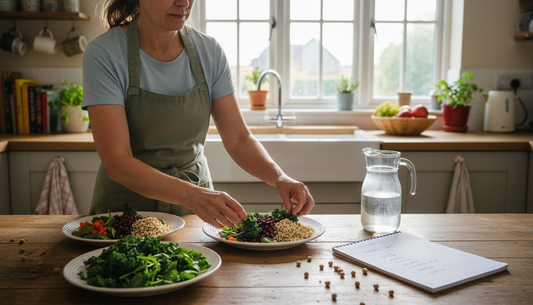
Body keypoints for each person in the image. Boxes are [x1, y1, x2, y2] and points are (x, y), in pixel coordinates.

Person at [82, 0, 315, 229]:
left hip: (196, 212)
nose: (184, 2)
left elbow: (239, 139)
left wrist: (279, 177)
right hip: (125, 212)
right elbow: (117, 160)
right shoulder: (104, 54)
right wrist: (192, 195)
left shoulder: (209, 52)